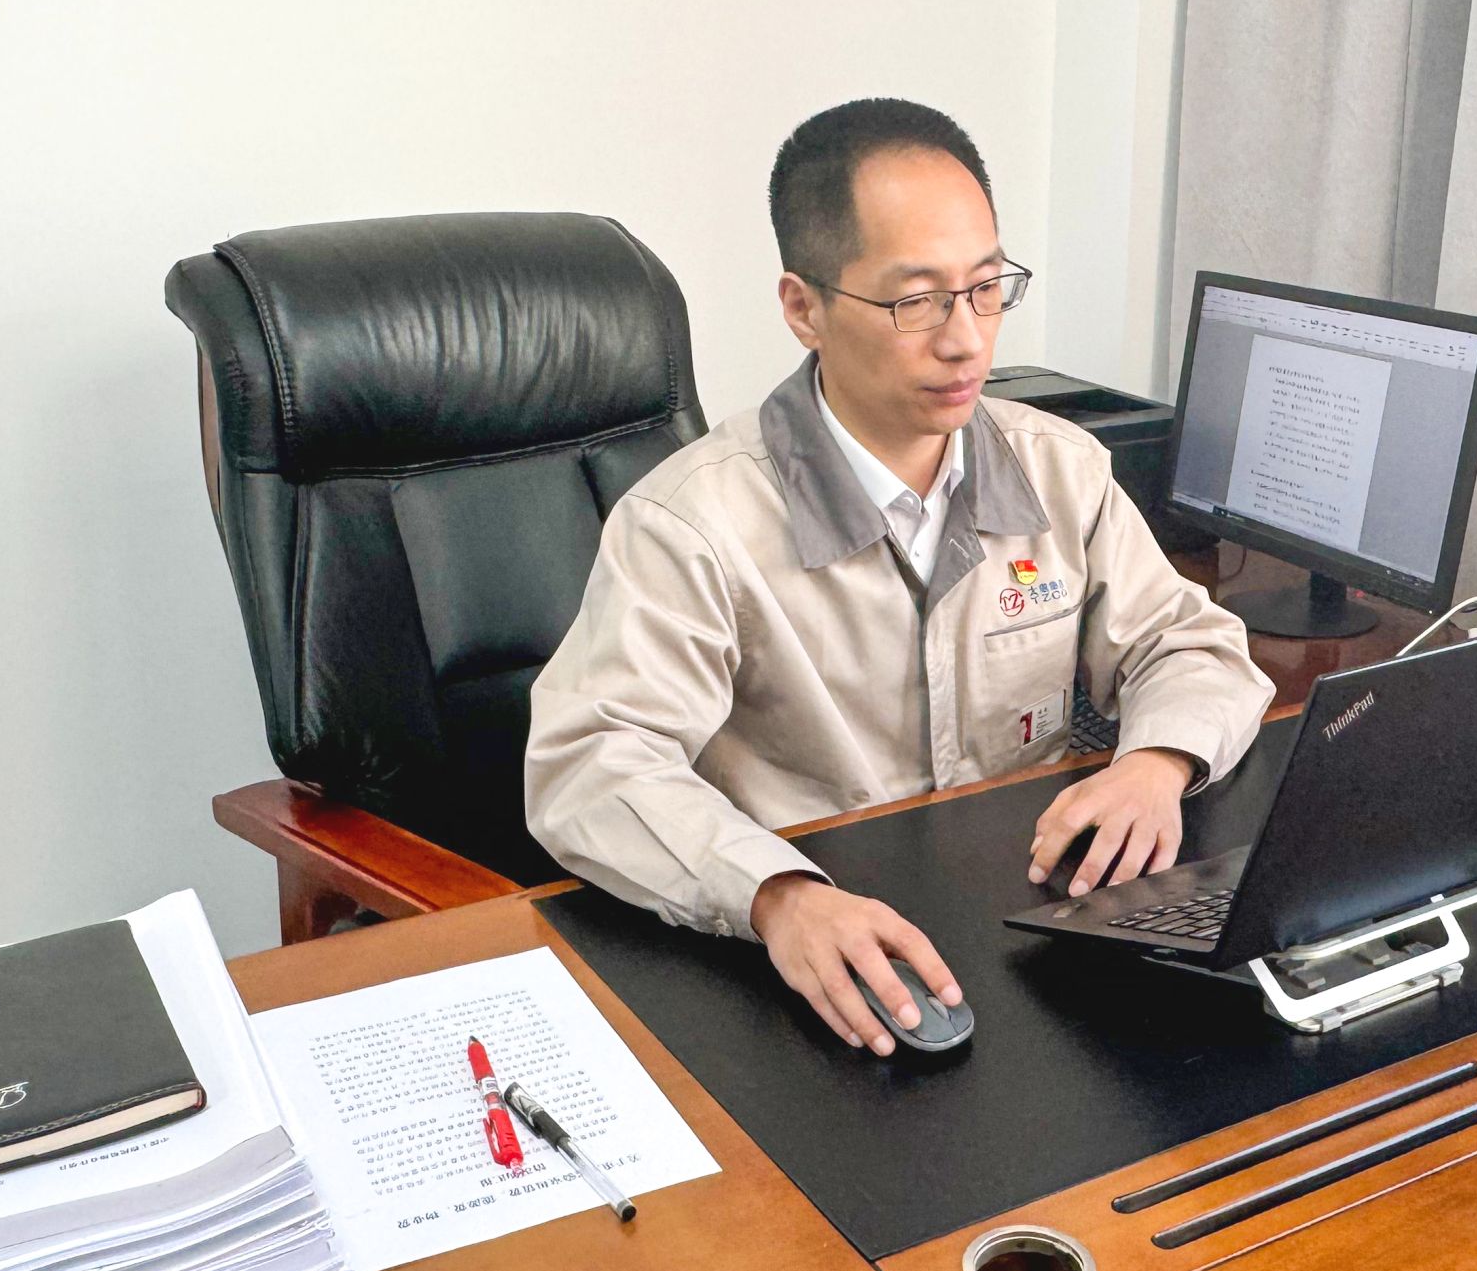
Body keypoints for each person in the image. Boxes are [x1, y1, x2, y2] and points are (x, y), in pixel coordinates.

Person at [526, 98, 1273, 1056]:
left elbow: (1189, 642)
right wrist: (776, 894)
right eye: (916, 302)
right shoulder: (691, 524)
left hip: (1033, 938)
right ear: (804, 308)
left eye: (987, 288)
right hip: (809, 963)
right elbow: (591, 764)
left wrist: (1155, 762)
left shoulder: (1061, 469)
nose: (966, 340)